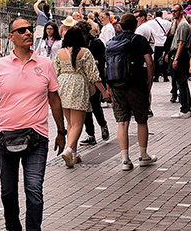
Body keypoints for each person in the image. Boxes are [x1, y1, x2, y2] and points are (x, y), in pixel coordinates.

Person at [0, 15, 66, 231]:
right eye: (22, 30)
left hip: (37, 136)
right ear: (11, 36)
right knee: (8, 190)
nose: (28, 33)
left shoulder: (45, 64)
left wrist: (61, 130)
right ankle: (13, 230)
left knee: (33, 189)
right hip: (5, 136)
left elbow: (54, 99)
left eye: (29, 29)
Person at [105, 13, 156, 171]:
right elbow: (149, 62)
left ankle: (125, 160)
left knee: (122, 122)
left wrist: (108, 87)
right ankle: (143, 156)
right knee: (141, 120)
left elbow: (107, 66)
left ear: (120, 25)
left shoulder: (112, 42)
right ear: (135, 25)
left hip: (116, 86)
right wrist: (149, 84)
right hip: (136, 85)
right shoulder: (139, 40)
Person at [54, 26, 104, 167]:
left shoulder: (60, 52)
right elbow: (93, 74)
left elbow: (55, 72)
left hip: (63, 85)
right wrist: (104, 91)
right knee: (78, 123)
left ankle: (73, 154)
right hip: (78, 85)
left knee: (70, 123)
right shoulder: (85, 52)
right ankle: (69, 150)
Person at [81, 22, 111, 145]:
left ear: (86, 33)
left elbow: (102, 60)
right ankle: (90, 134)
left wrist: (94, 62)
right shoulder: (78, 44)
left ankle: (103, 125)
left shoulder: (96, 43)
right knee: (86, 109)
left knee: (95, 106)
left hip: (95, 79)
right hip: (83, 80)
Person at [170, 7, 191, 117]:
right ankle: (185, 108)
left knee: (182, 83)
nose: (173, 13)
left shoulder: (183, 25)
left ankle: (185, 109)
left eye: (175, 11)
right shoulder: (179, 24)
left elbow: (182, 43)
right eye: (172, 11)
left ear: (181, 12)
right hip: (178, 54)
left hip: (181, 55)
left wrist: (176, 58)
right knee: (180, 83)